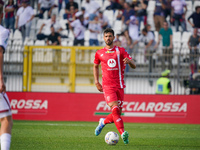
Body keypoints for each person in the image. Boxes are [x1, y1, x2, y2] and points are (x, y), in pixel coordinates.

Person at [93, 28, 136, 144]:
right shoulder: (99, 53)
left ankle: (102, 122)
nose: (108, 38)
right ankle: (123, 134)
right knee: (115, 110)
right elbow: (95, 66)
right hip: (107, 87)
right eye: (106, 36)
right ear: (103, 38)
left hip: (120, 86)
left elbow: (134, 65)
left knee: (116, 113)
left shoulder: (121, 51)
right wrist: (96, 81)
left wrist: (129, 62)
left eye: (110, 36)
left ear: (114, 37)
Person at [0, 1, 13, 150]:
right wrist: (1, 79)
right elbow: (0, 52)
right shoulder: (3, 31)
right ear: (2, 15)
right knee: (6, 119)